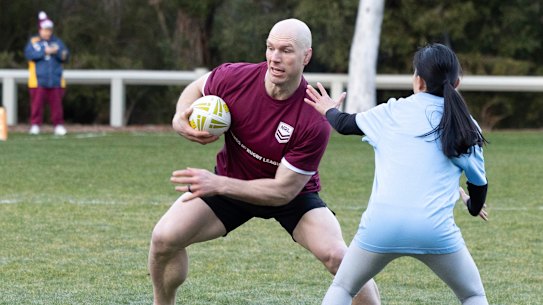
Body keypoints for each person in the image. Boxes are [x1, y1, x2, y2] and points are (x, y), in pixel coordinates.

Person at [148, 18, 381, 305]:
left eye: (286, 50)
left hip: (291, 197)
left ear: (306, 56)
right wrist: (179, 117)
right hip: (229, 185)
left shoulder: (313, 119)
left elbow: (282, 191)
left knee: (340, 258)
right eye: (271, 48)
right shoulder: (235, 77)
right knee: (163, 239)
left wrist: (218, 183)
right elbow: (196, 88)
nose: (275, 58)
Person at [304, 43, 490, 305]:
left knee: (344, 288)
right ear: (457, 82)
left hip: (381, 227)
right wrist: (471, 204)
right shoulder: (466, 125)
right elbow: (479, 186)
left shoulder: (392, 111)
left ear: (418, 81)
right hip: (434, 231)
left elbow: (345, 125)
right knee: (473, 295)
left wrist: (328, 109)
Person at [24, 11, 69, 136]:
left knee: (57, 106)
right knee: (36, 105)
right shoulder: (34, 42)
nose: (47, 32)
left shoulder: (58, 42)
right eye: (45, 30)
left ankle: (58, 125)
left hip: (55, 79)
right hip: (38, 80)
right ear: (40, 30)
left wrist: (58, 52)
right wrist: (45, 52)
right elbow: (29, 55)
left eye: (49, 30)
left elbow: (66, 56)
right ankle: (35, 125)